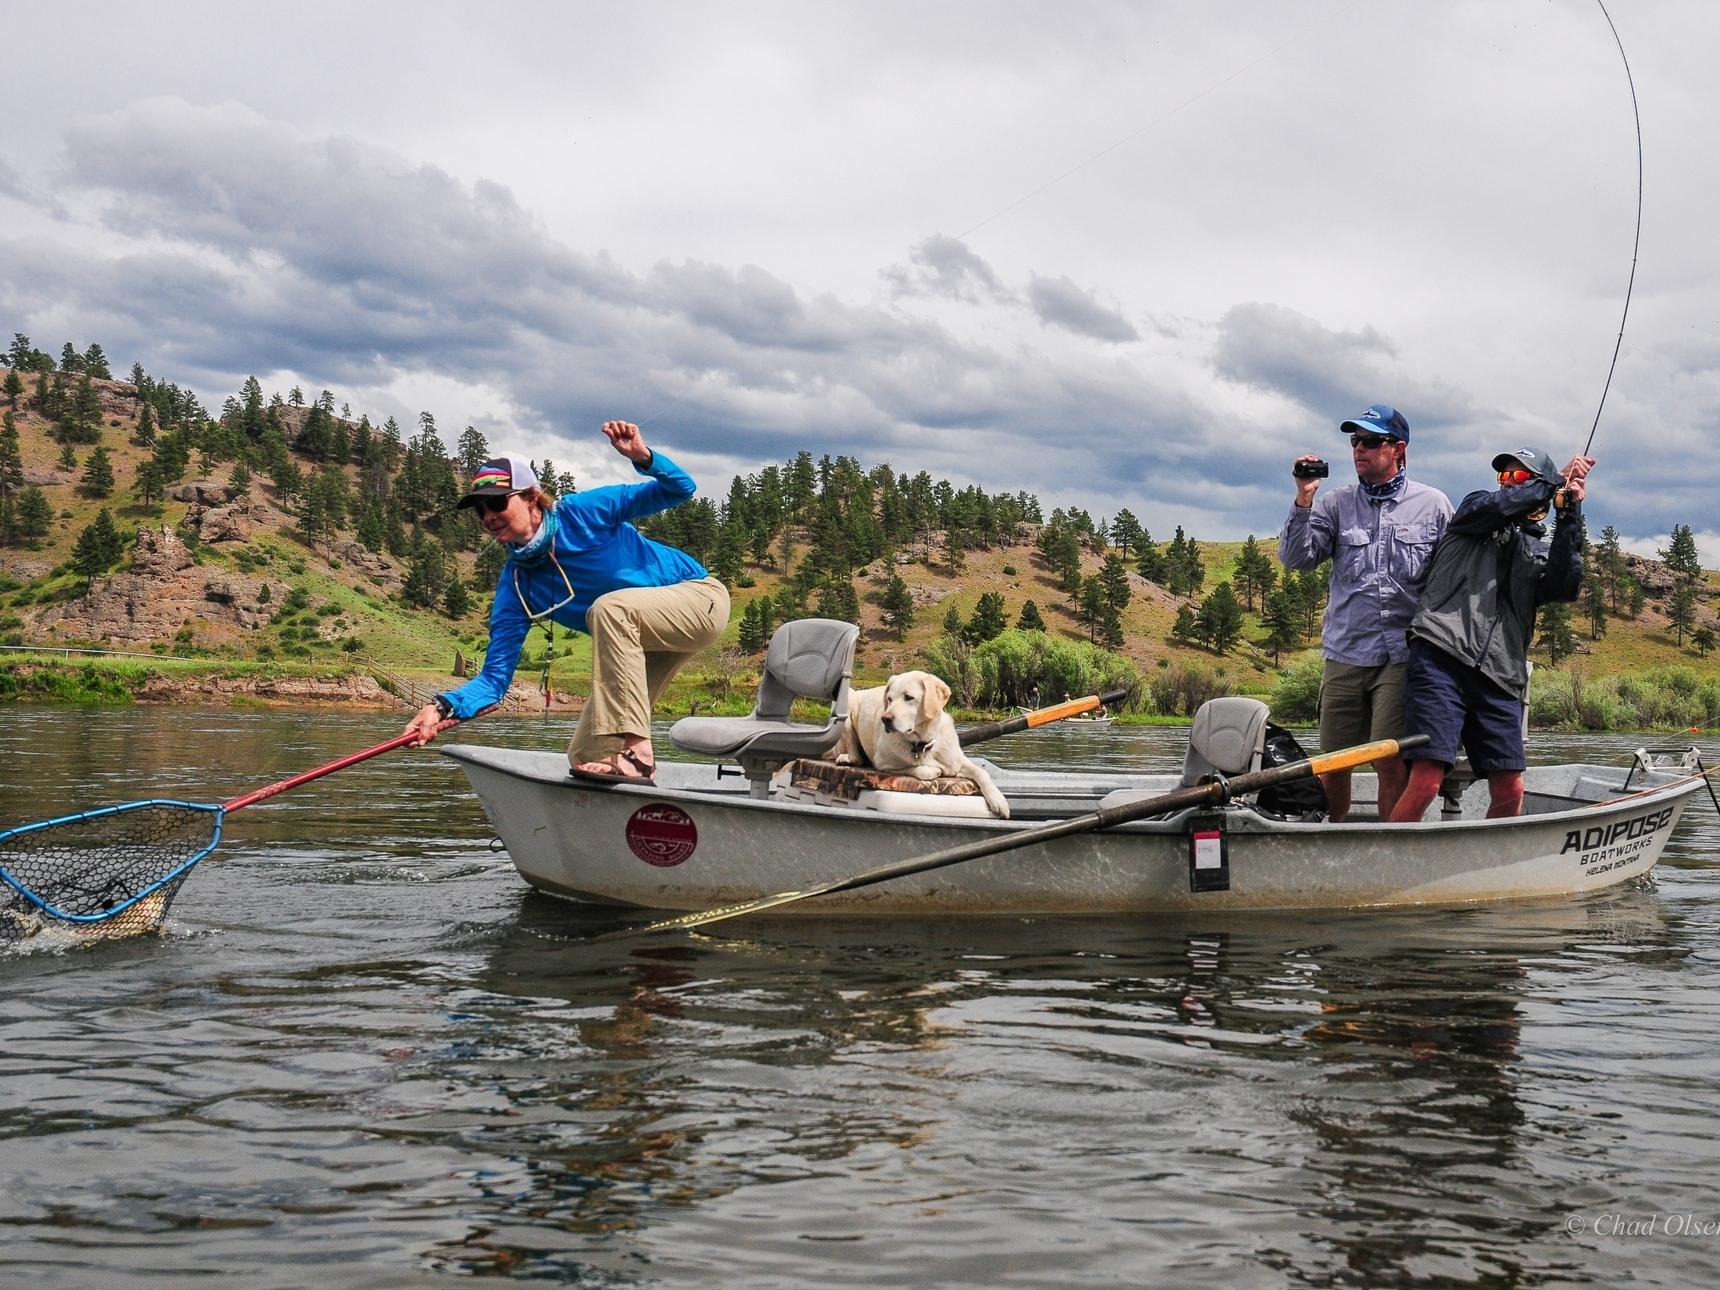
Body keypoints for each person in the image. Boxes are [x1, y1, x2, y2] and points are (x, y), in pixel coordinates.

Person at [403, 421, 729, 785]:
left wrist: (643, 457)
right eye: (479, 510)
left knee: (609, 608)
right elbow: (494, 682)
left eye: (496, 502)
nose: (488, 516)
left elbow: (681, 489)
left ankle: (638, 754)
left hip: (699, 599)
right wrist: (440, 707)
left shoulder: (582, 511)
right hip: (645, 640)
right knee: (586, 757)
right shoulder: (517, 585)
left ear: (531, 497)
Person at [1389, 448, 1593, 822]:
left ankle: (1490, 870)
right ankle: (1385, 871)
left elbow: (1564, 586)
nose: (1505, 482)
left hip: (1500, 673)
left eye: (1516, 477)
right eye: (1503, 477)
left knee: (1510, 788)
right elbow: (1502, 507)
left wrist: (1569, 512)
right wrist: (1551, 484)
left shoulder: (1538, 549)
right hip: (1441, 657)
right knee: (1426, 782)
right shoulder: (1475, 510)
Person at [1280, 404, 1453, 821]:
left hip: (1402, 656)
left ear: (1399, 449)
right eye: (1355, 441)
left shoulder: (1434, 505)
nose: (1360, 449)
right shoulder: (1335, 503)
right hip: (1344, 652)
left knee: (1388, 760)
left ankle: (1386, 847)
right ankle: (1333, 839)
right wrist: (1305, 498)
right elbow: (1296, 559)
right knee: (1334, 761)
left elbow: (1451, 580)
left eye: (1371, 441)